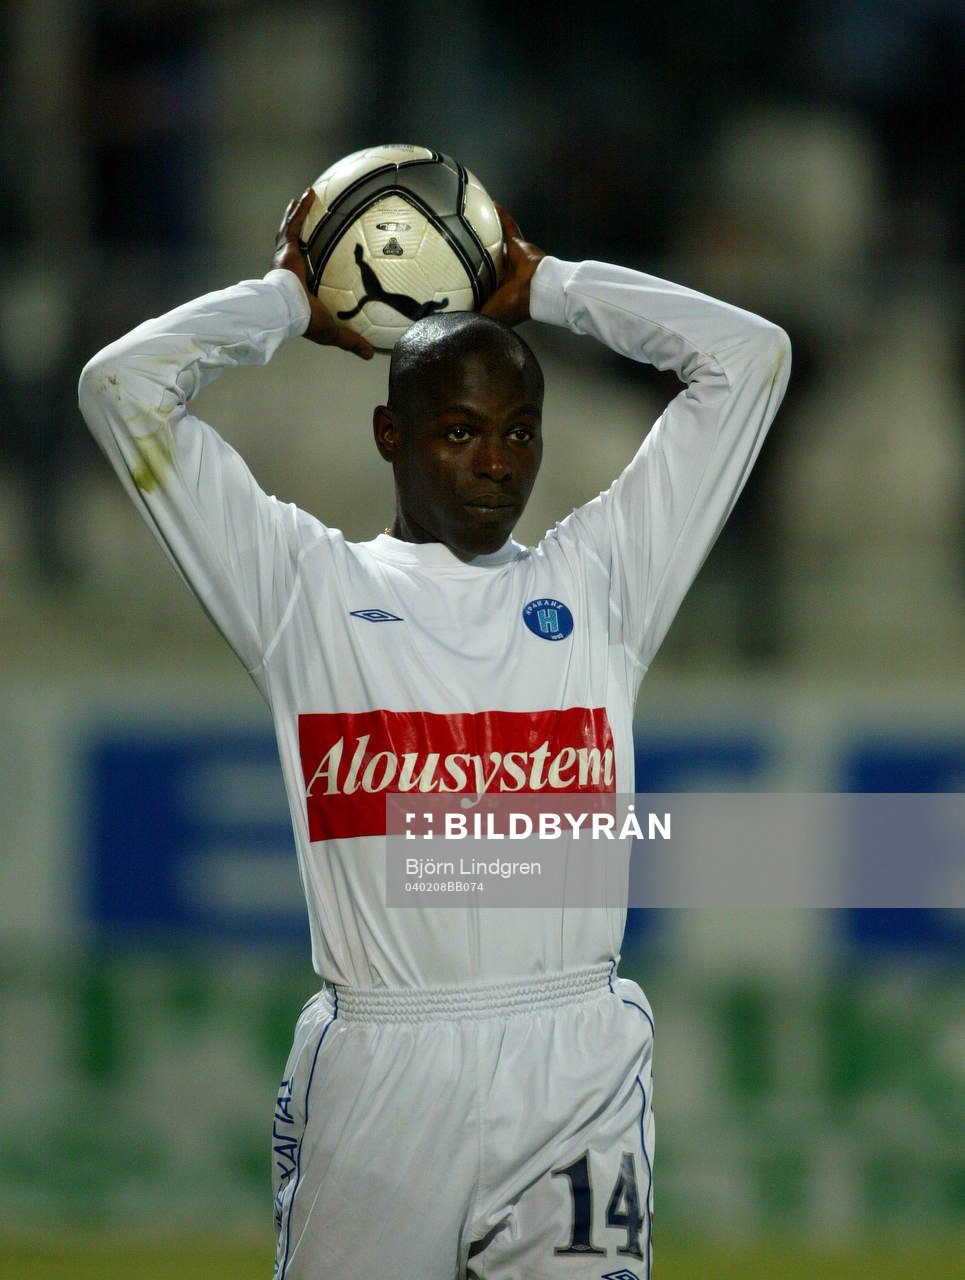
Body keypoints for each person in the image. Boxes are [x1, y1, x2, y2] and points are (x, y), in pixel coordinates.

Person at [79, 186, 790, 1279]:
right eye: (459, 432)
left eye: (518, 432)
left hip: (576, 1064)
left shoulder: (601, 583)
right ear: (389, 434)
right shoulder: (301, 591)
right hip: (382, 1068)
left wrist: (549, 286)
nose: (495, 463)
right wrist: (287, 299)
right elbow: (120, 387)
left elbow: (750, 357)